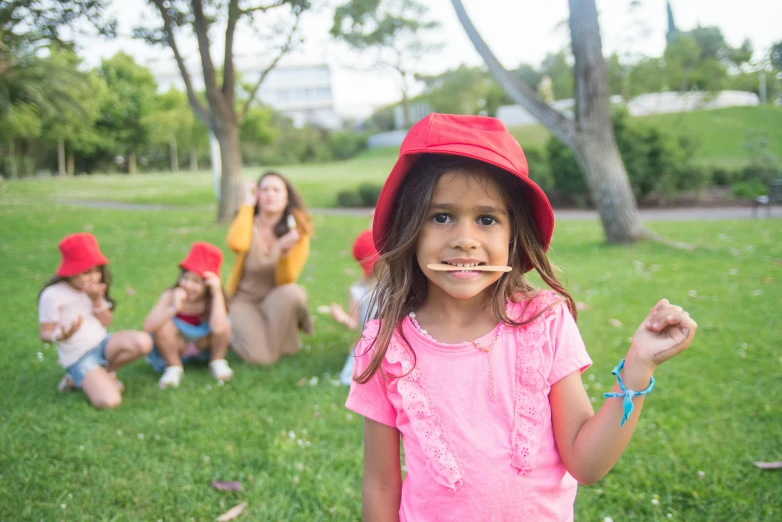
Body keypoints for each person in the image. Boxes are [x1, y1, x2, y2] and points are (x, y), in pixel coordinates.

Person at [346, 114, 698, 521]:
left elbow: (586, 464)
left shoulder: (543, 322)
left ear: (514, 235)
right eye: (441, 217)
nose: (465, 238)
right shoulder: (386, 345)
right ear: (410, 227)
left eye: (487, 219)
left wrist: (639, 365)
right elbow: (380, 483)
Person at [38, 233, 152, 409]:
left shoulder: (93, 290)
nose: (94, 277)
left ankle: (105, 372)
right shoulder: (53, 295)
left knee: (143, 341)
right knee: (109, 401)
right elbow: (45, 333)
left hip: (102, 344)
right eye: (86, 272)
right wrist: (62, 335)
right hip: (79, 356)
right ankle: (76, 377)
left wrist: (97, 300)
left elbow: (106, 322)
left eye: (97, 271)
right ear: (70, 272)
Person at [226, 171, 314, 365]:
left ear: (286, 197)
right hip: (244, 300)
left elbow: (286, 280)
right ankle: (245, 336)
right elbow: (236, 243)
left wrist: (283, 253)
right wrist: (246, 206)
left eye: (276, 190)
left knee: (293, 292)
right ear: (257, 194)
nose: (270, 195)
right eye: (264, 189)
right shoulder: (247, 221)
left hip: (275, 298)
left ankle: (278, 339)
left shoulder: (297, 232)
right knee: (262, 358)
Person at [144, 242, 233, 389]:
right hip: (177, 345)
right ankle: (174, 367)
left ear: (207, 285)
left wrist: (217, 293)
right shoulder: (170, 295)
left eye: (196, 282)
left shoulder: (212, 300)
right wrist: (173, 308)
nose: (188, 285)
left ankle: (217, 361)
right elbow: (148, 326)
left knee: (225, 323)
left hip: (203, 345)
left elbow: (218, 329)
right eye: (185, 278)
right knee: (162, 326)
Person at [329, 229, 380, 385]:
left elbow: (353, 324)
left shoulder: (358, 290)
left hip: (369, 347)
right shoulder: (397, 288)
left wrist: (340, 316)